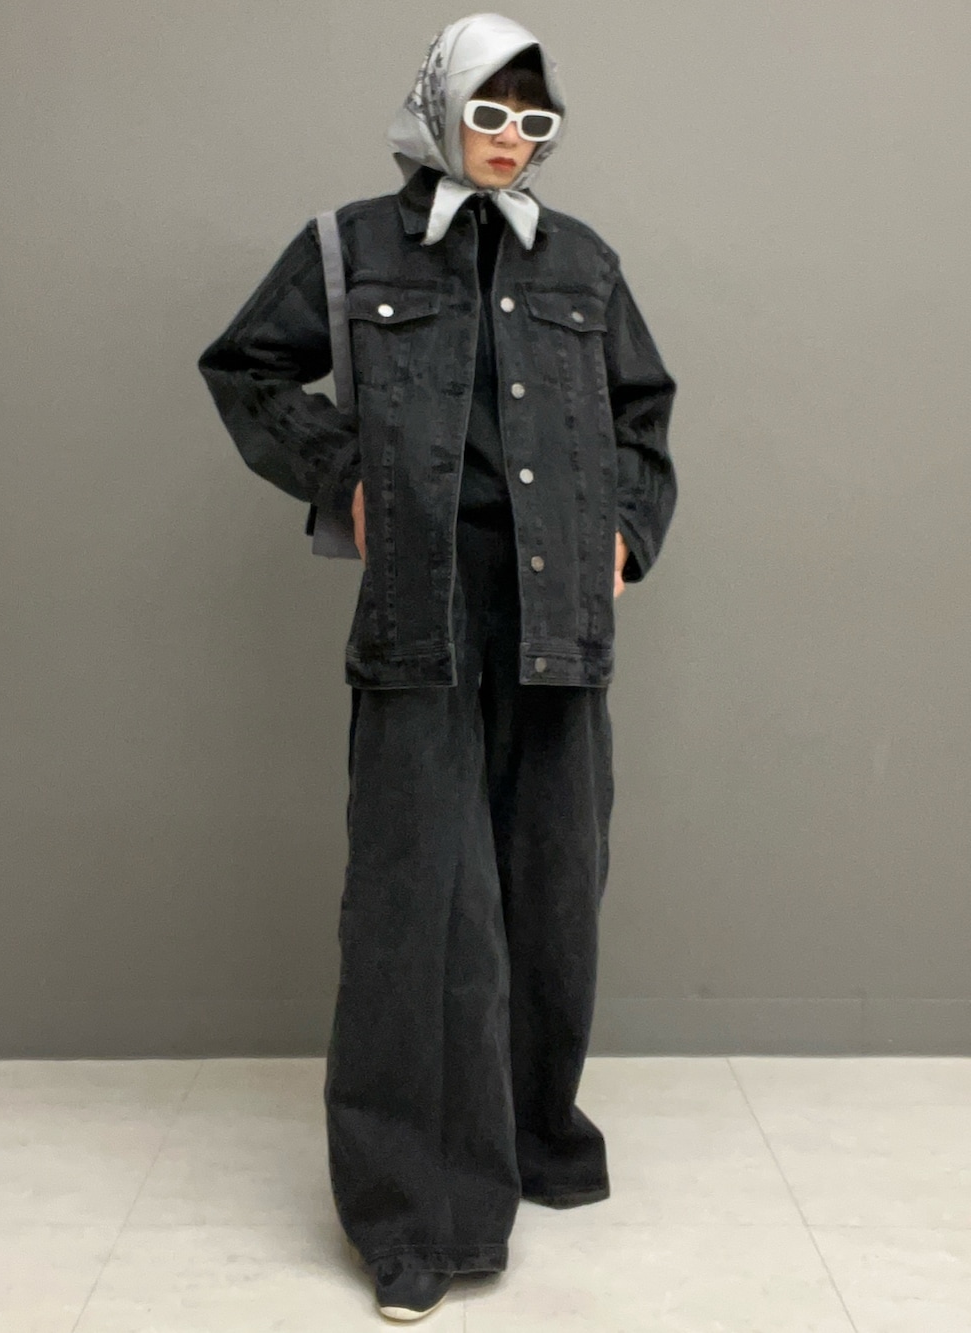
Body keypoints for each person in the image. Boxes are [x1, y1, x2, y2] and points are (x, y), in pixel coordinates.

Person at [198, 12, 677, 1322]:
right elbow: (246, 370)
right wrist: (339, 475)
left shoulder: (582, 260)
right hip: (425, 605)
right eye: (490, 114)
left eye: (536, 121)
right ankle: (419, 1217)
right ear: (437, 109)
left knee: (553, 888)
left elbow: (643, 415)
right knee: (421, 912)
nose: (512, 141)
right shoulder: (351, 247)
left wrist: (627, 532)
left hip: (559, 614)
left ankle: (532, 1137)